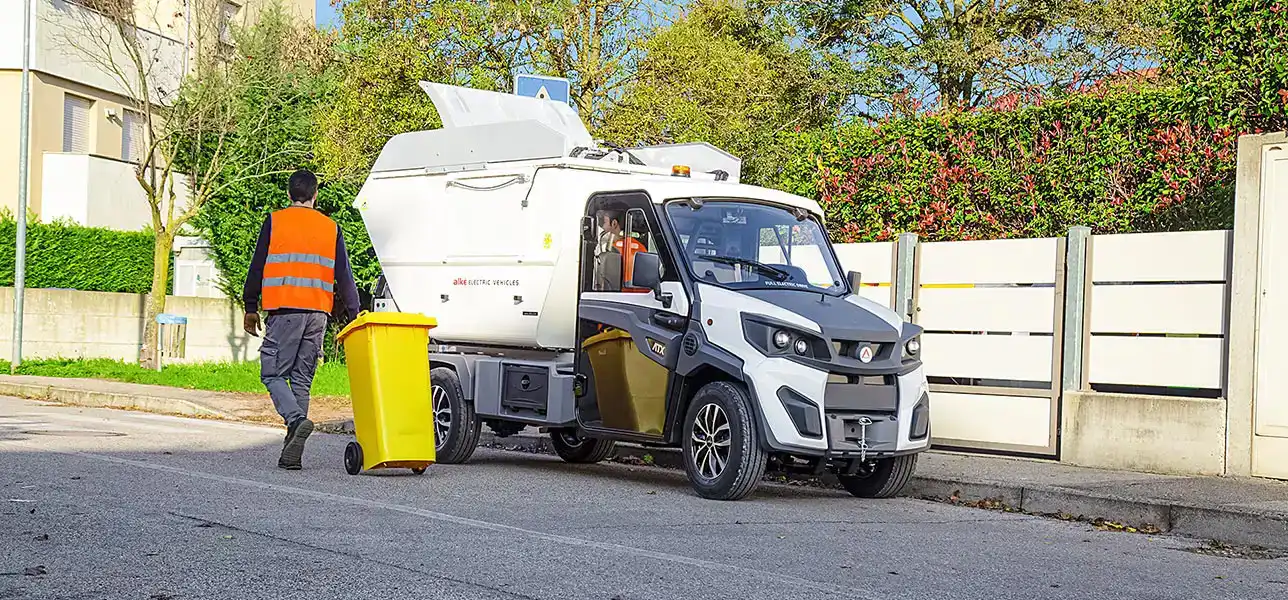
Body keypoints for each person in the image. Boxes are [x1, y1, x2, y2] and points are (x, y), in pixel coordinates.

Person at [242, 169, 360, 470]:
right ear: (315, 194)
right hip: (317, 314)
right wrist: (354, 313)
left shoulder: (275, 221)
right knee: (302, 381)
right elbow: (344, 275)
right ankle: (290, 453)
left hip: (284, 312)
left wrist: (250, 305)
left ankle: (295, 420)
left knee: (272, 374)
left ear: (289, 193)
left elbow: (257, 265)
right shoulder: (330, 227)